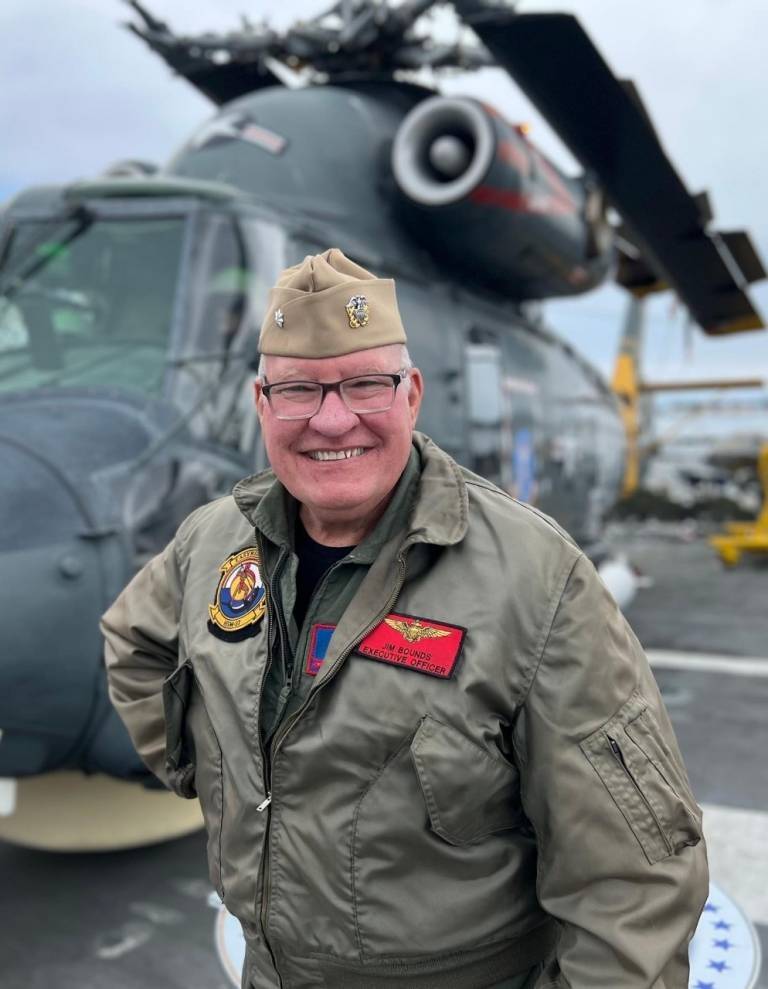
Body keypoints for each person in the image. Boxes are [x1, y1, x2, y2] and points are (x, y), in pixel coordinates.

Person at [101, 248, 708, 989]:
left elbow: (634, 878)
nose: (331, 419)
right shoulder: (212, 539)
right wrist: (226, 778)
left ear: (412, 393)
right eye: (297, 390)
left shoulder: (532, 574)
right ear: (261, 404)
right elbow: (133, 643)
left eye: (365, 384)